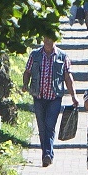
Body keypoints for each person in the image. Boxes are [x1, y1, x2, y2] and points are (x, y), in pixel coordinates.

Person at [21, 31, 79, 168]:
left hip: (54, 97)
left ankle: (48, 154)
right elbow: (27, 72)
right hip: (38, 96)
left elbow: (68, 78)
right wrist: (25, 84)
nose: (48, 42)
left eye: (51, 40)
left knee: (50, 125)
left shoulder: (62, 56)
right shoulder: (35, 55)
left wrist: (74, 96)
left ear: (55, 40)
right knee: (42, 127)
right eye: (46, 39)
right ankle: (45, 153)